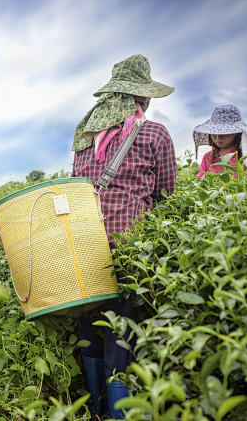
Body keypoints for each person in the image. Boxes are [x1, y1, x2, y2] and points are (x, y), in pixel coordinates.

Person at [70, 54, 177, 418]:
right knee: (120, 335)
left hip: (81, 244)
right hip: (126, 247)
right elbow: (166, 196)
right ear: (143, 99)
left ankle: (96, 412)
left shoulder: (84, 137)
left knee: (89, 327)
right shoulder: (154, 133)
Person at [193, 104, 247, 177]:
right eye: (214, 134)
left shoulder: (246, 156)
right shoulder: (208, 157)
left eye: (223, 133)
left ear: (236, 133)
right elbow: (200, 181)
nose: (218, 138)